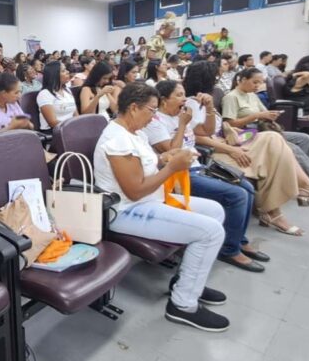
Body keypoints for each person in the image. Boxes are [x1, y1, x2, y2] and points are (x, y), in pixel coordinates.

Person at [93, 83, 229, 332]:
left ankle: (187, 281)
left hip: (150, 200)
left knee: (215, 211)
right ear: (133, 108)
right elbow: (135, 190)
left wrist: (165, 158)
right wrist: (171, 168)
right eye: (151, 110)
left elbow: (147, 161)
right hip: (127, 211)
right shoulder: (116, 140)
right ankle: (183, 305)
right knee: (211, 232)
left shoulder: (136, 132)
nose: (154, 117)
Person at [184, 62, 309, 235]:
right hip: (218, 148)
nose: (218, 81)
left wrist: (229, 128)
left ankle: (304, 189)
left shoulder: (211, 98)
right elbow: (196, 136)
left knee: (275, 139)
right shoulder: (193, 102)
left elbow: (222, 125)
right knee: (274, 149)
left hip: (230, 138)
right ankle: (279, 208)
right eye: (216, 77)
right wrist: (231, 148)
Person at [144, 80, 266, 272]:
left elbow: (208, 131)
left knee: (247, 188)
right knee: (237, 195)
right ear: (163, 100)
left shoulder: (180, 116)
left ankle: (239, 240)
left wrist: (209, 109)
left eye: (184, 94)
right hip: (178, 175)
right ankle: (230, 250)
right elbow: (171, 153)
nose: (184, 99)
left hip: (197, 167)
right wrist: (183, 125)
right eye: (178, 95)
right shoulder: (155, 121)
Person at [223, 68, 309, 201]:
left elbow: (263, 113)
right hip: (248, 134)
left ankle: (297, 180)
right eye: (255, 82)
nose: (258, 86)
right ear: (241, 80)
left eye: (260, 82)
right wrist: (256, 116)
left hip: (264, 130)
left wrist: (269, 116)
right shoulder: (231, 97)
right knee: (293, 148)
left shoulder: (251, 96)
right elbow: (230, 124)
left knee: (305, 139)